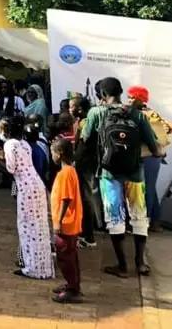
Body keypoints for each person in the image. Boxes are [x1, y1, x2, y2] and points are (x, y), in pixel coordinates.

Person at [81, 77, 160, 277]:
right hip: (135, 174)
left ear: (103, 95)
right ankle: (140, 263)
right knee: (139, 215)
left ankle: (122, 266)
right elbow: (155, 148)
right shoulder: (138, 115)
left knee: (114, 218)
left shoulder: (96, 113)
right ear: (120, 92)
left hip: (109, 174)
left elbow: (85, 141)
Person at [0, 116, 53, 280]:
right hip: (37, 185)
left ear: (5, 131)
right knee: (40, 227)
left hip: (26, 189)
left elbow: (11, 168)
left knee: (27, 228)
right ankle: (43, 266)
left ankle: (30, 267)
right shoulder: (24, 144)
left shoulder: (9, 144)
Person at [127, 86, 170, 233]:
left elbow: (166, 130)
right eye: (129, 96)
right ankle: (155, 222)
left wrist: (158, 148)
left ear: (141, 99)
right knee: (150, 189)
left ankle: (145, 223)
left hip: (148, 156)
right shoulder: (150, 113)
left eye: (133, 97)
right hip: (152, 157)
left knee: (147, 190)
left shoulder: (147, 115)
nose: (129, 99)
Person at [50, 138, 84, 303]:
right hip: (71, 222)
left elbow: (66, 198)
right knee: (71, 256)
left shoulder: (65, 173)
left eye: (53, 152)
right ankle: (73, 285)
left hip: (66, 224)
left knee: (65, 258)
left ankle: (72, 289)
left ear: (60, 153)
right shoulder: (70, 171)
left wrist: (58, 222)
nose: (52, 156)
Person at [70, 94, 101, 248]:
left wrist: (75, 160)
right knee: (84, 197)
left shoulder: (86, 124)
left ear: (80, 109)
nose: (70, 110)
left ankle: (88, 237)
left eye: (72, 107)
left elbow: (83, 146)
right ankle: (85, 233)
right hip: (87, 164)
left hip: (85, 165)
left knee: (85, 198)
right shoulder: (85, 121)